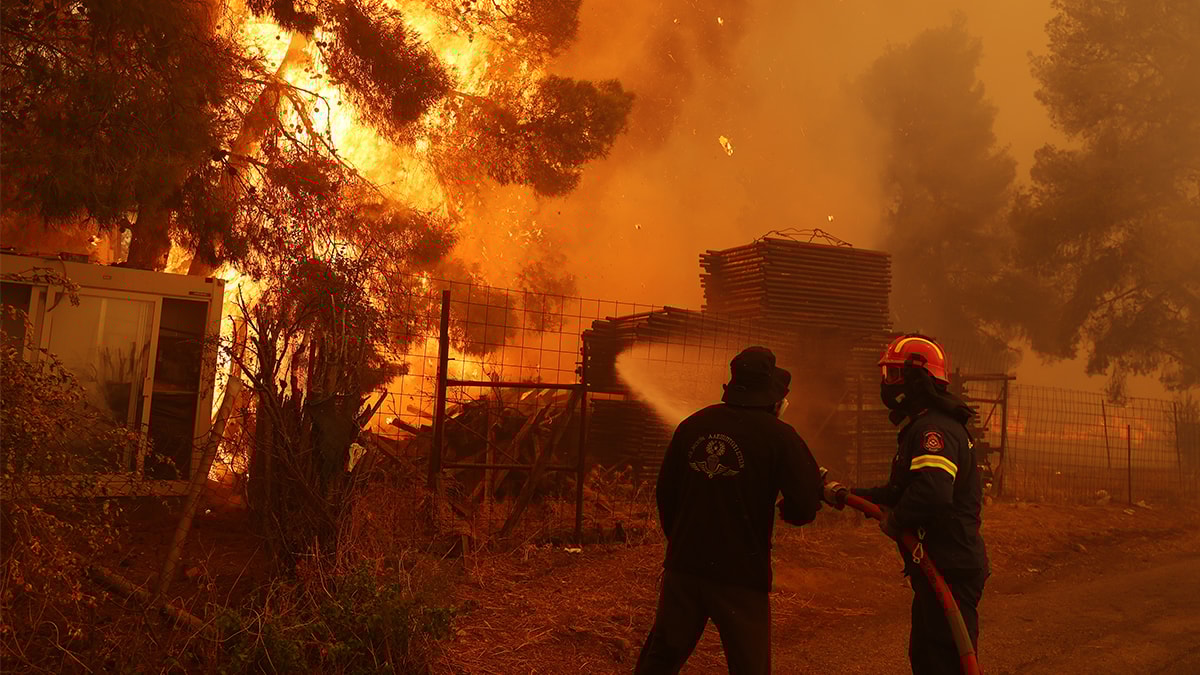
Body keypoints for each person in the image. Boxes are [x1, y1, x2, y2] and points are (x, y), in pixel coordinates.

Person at [634, 346, 825, 675]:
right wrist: (788, 511)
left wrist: (681, 540)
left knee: (661, 659)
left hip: (684, 568)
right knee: (749, 667)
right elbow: (805, 503)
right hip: (742, 578)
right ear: (772, 396)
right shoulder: (780, 436)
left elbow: (665, 493)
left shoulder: (693, 425)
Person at [842, 334, 990, 675]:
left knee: (944, 663)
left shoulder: (932, 430)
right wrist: (852, 495)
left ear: (917, 379)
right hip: (940, 564)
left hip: (949, 569)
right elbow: (903, 491)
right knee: (926, 658)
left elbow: (933, 493)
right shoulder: (924, 426)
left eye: (894, 376)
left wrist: (896, 522)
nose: (888, 385)